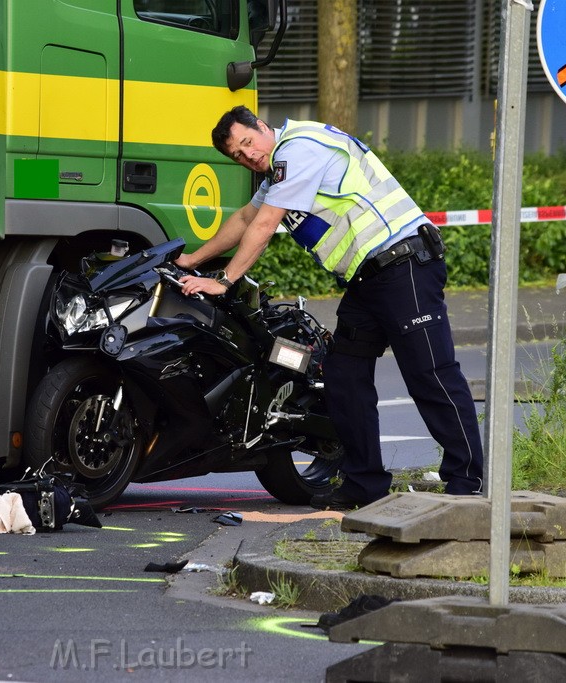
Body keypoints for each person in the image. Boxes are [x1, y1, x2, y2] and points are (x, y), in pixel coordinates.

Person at [176, 106, 483, 510]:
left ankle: (468, 482)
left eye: (248, 143)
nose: (247, 156)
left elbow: (265, 226)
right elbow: (245, 218)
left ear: (263, 127)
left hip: (405, 265)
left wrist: (224, 281)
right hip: (368, 280)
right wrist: (191, 261)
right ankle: (365, 484)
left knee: (430, 374)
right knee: (343, 375)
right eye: (237, 155)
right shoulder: (278, 170)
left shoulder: (298, 149)